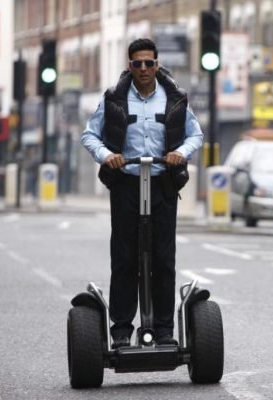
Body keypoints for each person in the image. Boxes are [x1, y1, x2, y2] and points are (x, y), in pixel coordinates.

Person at [80, 38, 203, 348]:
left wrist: (180, 152)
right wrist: (107, 155)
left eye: (150, 63)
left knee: (163, 259)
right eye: (138, 63)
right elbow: (90, 135)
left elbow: (196, 135)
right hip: (126, 184)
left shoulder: (174, 98)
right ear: (129, 66)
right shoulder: (114, 99)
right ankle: (121, 331)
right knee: (124, 258)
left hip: (162, 185)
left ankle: (163, 331)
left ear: (157, 64)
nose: (144, 68)